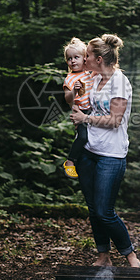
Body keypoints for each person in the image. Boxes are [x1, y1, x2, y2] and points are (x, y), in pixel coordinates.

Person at [70, 33, 140, 268]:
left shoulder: (119, 82)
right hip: (88, 152)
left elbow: (115, 120)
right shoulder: (93, 78)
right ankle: (103, 256)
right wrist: (77, 98)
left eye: (88, 56)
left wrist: (86, 118)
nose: (84, 58)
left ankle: (131, 256)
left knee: (104, 211)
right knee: (94, 210)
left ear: (99, 59)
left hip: (111, 155)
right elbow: (78, 102)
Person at [62, 37, 94, 178]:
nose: (73, 61)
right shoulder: (69, 79)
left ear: (84, 59)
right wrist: (74, 91)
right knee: (82, 137)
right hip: (81, 111)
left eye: (76, 57)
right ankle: (70, 161)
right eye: (69, 59)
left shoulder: (89, 73)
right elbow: (67, 98)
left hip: (93, 110)